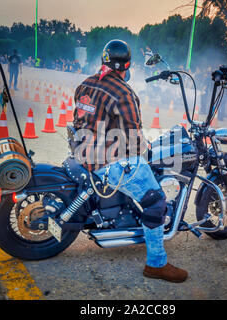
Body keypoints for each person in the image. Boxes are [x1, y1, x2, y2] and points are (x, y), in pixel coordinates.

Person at [72, 39, 188, 283]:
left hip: (82, 151)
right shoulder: (124, 93)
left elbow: (82, 121)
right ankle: (157, 264)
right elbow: (134, 140)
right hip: (105, 162)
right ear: (126, 66)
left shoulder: (86, 84)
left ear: (104, 61)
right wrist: (145, 149)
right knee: (156, 201)